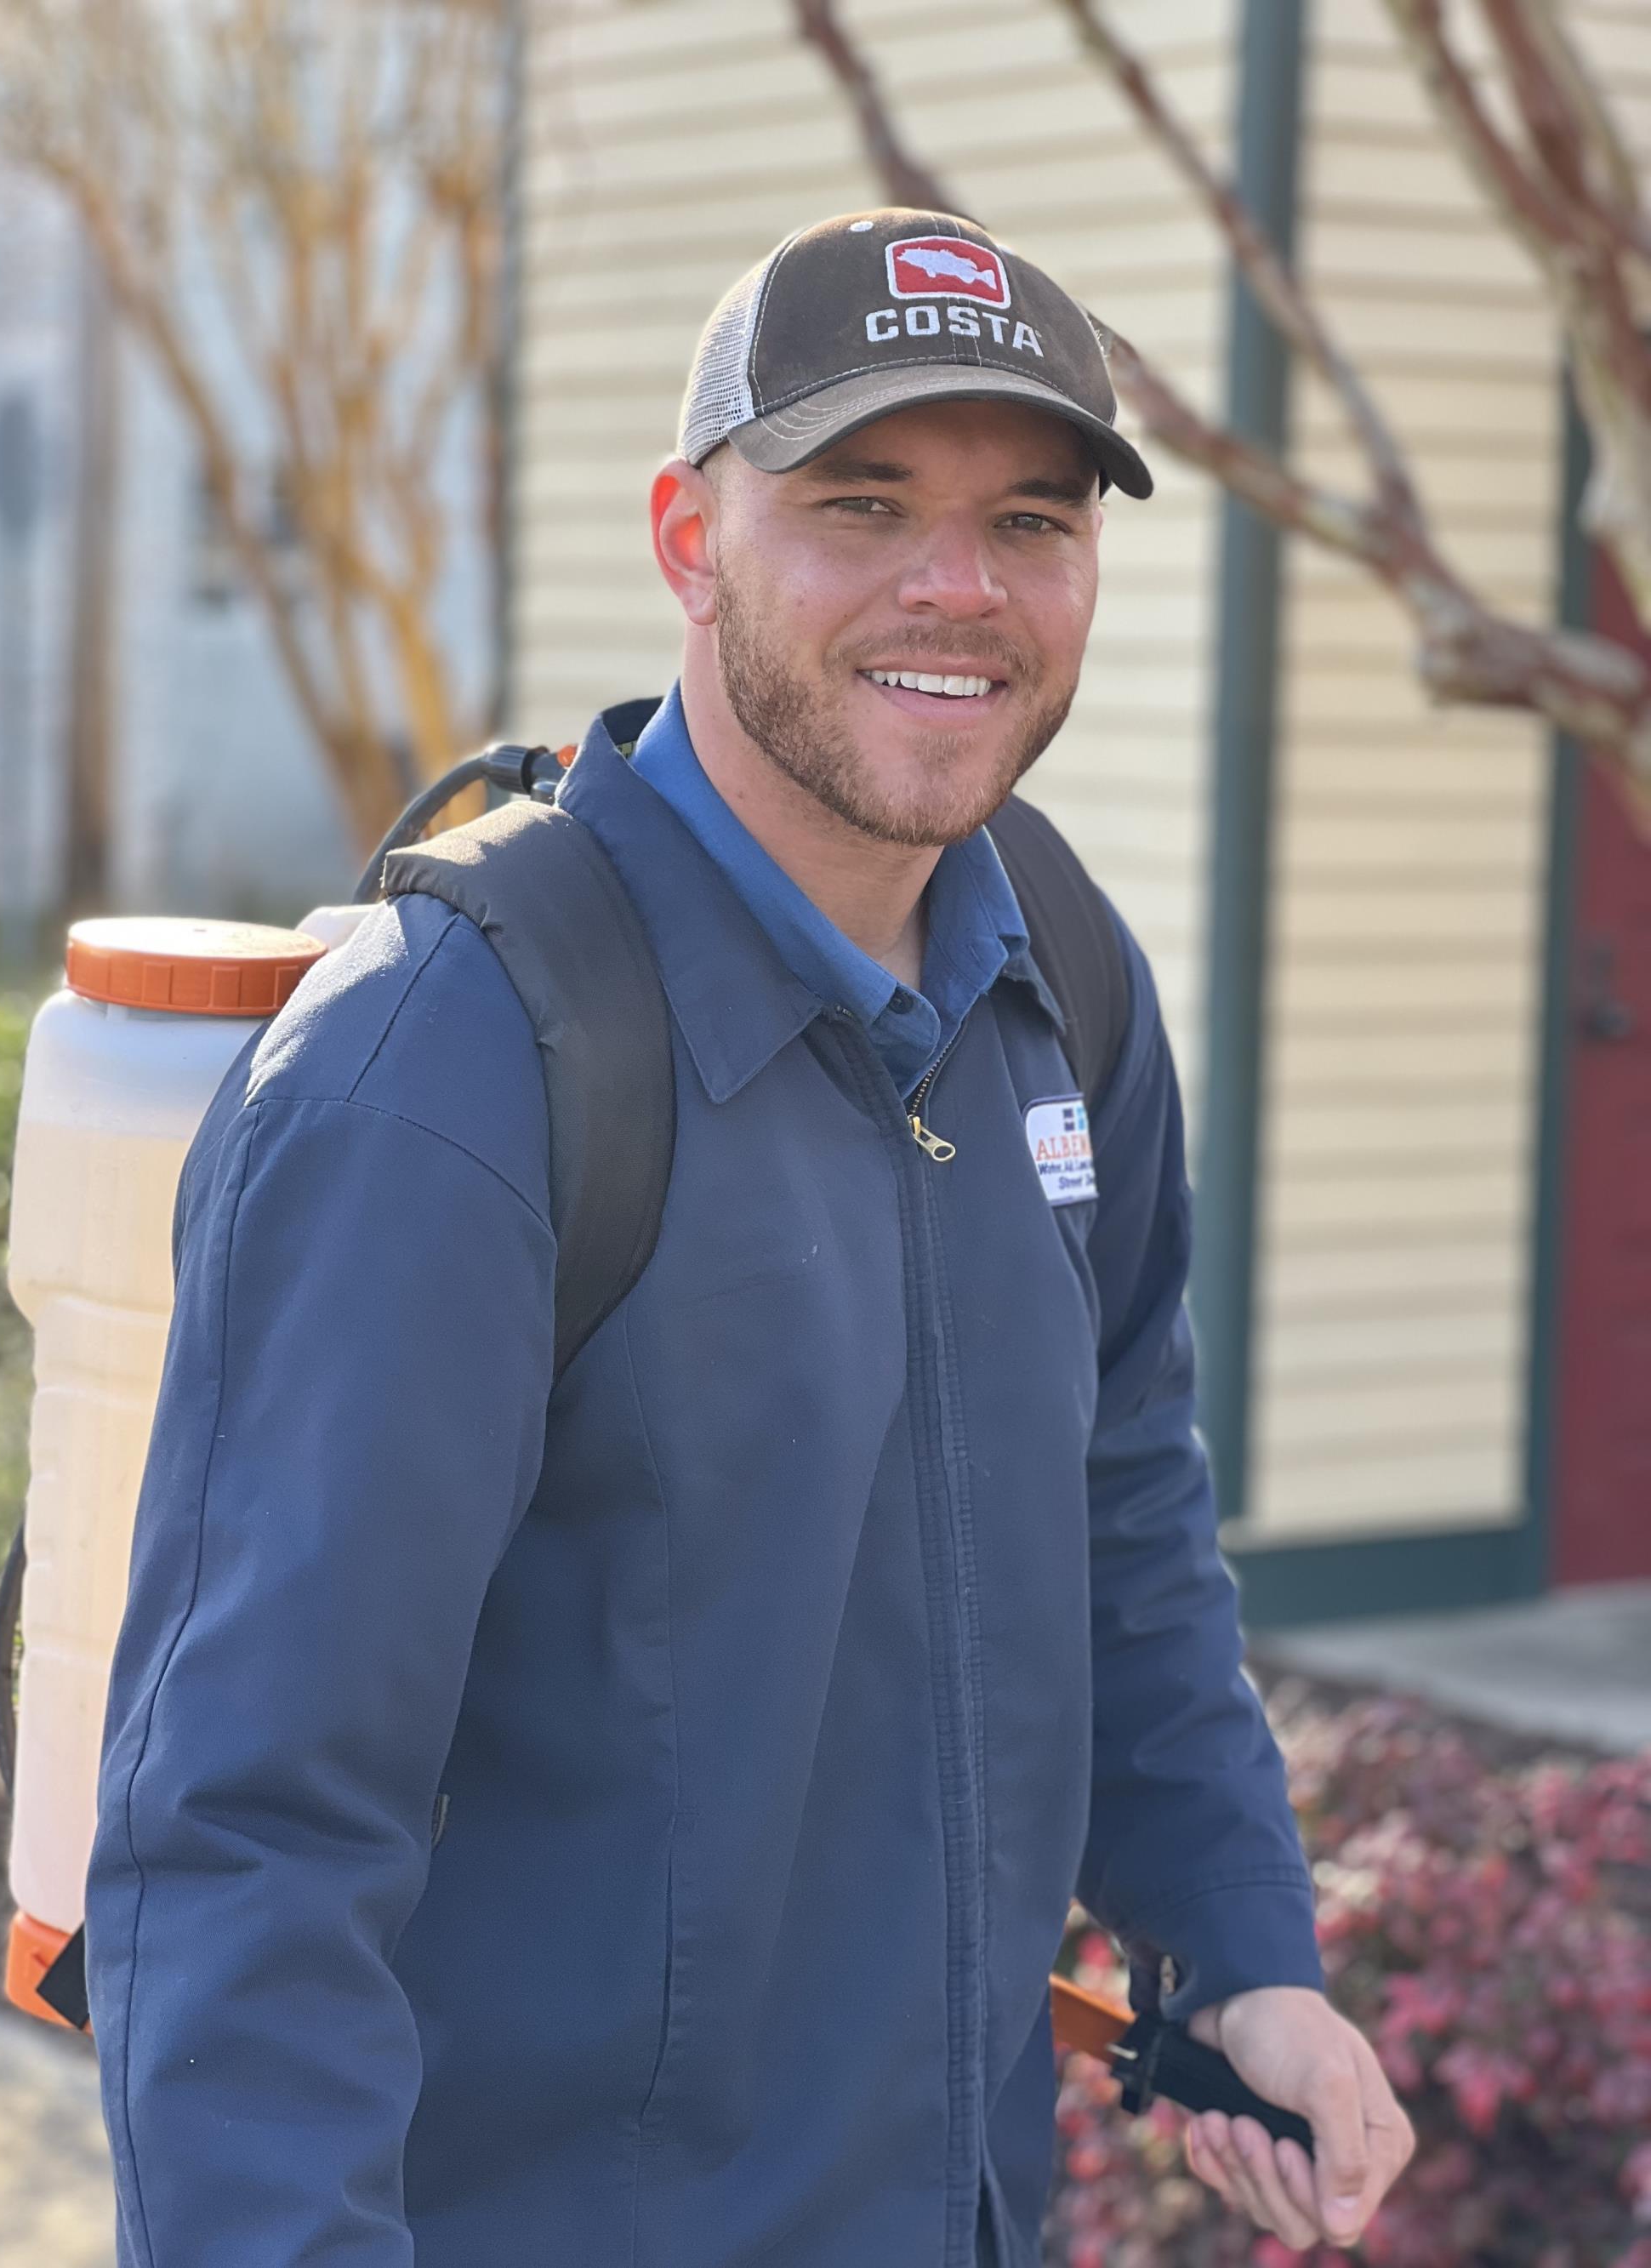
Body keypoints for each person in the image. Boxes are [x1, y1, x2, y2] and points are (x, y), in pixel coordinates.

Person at [86, 209, 1413, 2267]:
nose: (955, 587)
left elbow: (1120, 1513)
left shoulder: (1055, 963)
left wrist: (1243, 1954)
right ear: (688, 539)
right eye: (858, 502)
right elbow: (246, 1839)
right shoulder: (450, 1071)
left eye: (1031, 522)